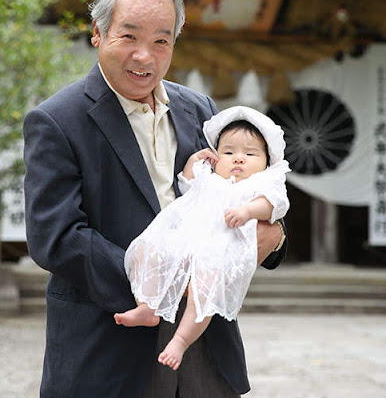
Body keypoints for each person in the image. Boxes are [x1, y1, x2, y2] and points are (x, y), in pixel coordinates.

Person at [23, 0, 287, 398]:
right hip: (113, 339)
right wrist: (159, 283)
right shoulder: (57, 121)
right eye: (129, 36)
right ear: (98, 32)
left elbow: (240, 189)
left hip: (204, 343)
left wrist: (273, 235)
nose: (145, 56)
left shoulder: (198, 110)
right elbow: (55, 236)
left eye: (162, 41)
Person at [115, 106, 290, 370]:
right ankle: (146, 306)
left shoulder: (262, 184)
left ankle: (180, 341)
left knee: (204, 288)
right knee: (145, 250)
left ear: (267, 161)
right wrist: (192, 165)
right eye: (228, 152)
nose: (238, 159)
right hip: (182, 242)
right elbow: (186, 185)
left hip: (216, 252)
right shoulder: (210, 179)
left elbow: (274, 206)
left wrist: (247, 211)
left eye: (250, 154)